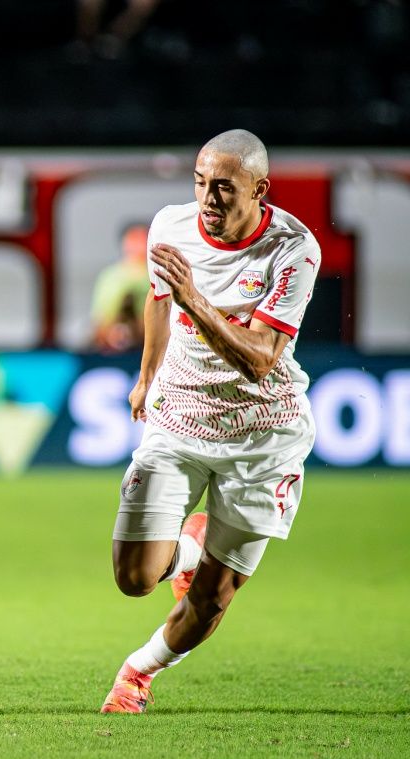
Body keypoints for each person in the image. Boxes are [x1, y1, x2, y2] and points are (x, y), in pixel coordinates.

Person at [100, 129, 321, 713]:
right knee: (134, 577)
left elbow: (260, 359)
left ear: (259, 189)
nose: (209, 200)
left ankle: (138, 673)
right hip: (179, 419)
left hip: (262, 434)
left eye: (225, 187)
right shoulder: (169, 226)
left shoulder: (293, 248)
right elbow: (156, 298)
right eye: (201, 183)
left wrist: (195, 297)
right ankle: (189, 547)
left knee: (212, 599)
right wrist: (147, 374)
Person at [89, 224, 151, 353]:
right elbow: (100, 321)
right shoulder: (110, 276)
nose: (138, 245)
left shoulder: (158, 275)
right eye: (134, 239)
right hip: (113, 351)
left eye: (142, 239)